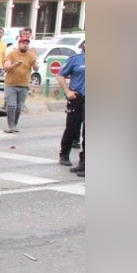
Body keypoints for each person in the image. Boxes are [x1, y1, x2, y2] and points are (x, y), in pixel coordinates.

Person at [56, 43, 85, 175]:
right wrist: (67, 91)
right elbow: (60, 75)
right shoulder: (76, 59)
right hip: (76, 97)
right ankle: (64, 154)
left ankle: (84, 163)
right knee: (72, 127)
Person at [1, 36, 38, 133]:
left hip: (24, 85)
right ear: (19, 44)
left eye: (27, 43)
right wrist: (15, 65)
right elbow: (6, 67)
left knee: (19, 107)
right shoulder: (12, 54)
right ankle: (10, 126)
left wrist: (34, 64)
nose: (25, 45)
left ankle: (14, 124)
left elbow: (36, 69)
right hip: (11, 84)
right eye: (23, 43)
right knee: (11, 105)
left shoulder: (31, 55)